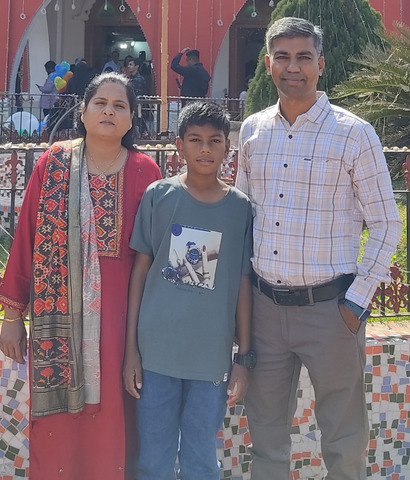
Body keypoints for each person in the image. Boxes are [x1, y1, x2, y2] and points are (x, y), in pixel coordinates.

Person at [236, 17, 402, 480]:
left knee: (343, 438)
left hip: (331, 310)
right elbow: (242, 217)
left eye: (303, 57)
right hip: (265, 311)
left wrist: (356, 302)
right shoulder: (252, 131)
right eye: (283, 57)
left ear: (320, 64)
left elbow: (387, 223)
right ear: (268, 63)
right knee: (265, 436)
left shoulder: (353, 133)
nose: (293, 67)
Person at [0, 72, 161, 480]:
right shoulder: (53, 164)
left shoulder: (146, 173)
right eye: (100, 103)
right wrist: (12, 317)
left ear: (131, 119)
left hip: (122, 325)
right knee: (59, 428)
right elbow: (26, 239)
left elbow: (157, 258)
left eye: (119, 105)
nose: (109, 111)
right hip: (58, 319)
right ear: (83, 112)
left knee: (115, 419)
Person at [123, 101, 255, 479]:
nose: (205, 148)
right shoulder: (158, 196)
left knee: (201, 460)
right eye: (195, 140)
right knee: (153, 460)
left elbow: (242, 281)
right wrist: (131, 350)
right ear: (179, 145)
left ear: (227, 147)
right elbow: (140, 272)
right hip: (156, 355)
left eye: (215, 140)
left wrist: (243, 358)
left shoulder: (239, 208)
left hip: (210, 358)